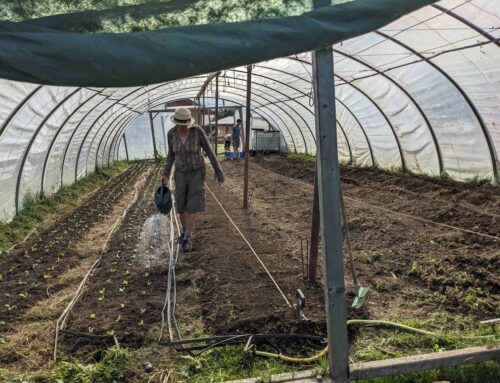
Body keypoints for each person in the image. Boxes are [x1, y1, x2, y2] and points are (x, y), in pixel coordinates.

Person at [160, 108, 224, 252]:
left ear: (188, 122)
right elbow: (171, 155)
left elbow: (209, 151)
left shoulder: (197, 132)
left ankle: (188, 235)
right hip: (180, 173)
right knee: (181, 205)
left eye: (184, 124)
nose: (181, 127)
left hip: (196, 172)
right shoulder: (171, 134)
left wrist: (218, 172)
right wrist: (165, 173)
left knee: (192, 204)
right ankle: (184, 231)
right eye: (179, 124)